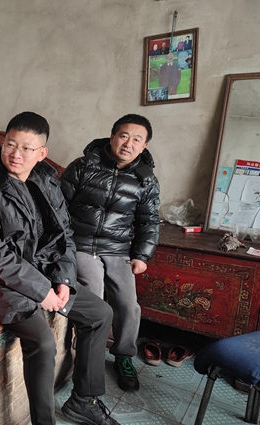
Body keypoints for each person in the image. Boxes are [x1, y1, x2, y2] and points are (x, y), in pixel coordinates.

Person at [0, 112, 123, 425]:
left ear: (42, 153)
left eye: (26, 148)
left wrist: (62, 280)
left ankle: (84, 400)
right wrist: (41, 289)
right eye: (10, 144)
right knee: (43, 343)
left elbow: (64, 234)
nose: (15, 154)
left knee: (100, 314)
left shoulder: (47, 180)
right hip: (0, 281)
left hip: (46, 271)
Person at [60, 114, 160, 392]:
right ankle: (86, 352)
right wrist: (63, 244)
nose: (128, 143)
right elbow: (58, 206)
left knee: (128, 304)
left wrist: (142, 255)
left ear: (144, 146)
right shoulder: (83, 166)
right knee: (94, 295)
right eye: (124, 136)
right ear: (113, 136)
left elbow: (149, 221)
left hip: (118, 250)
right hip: (81, 244)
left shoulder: (146, 180)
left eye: (137, 139)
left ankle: (124, 356)